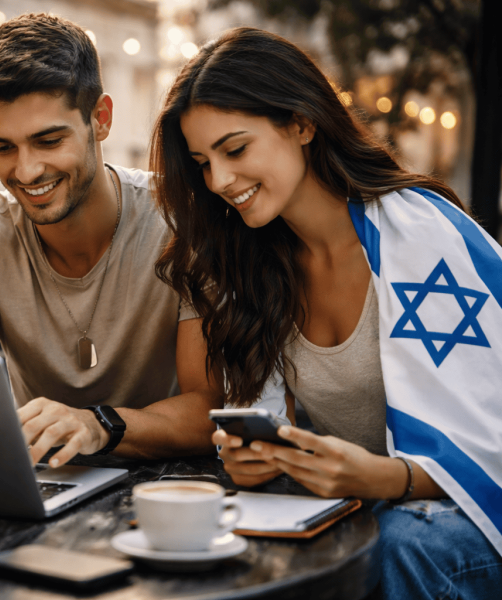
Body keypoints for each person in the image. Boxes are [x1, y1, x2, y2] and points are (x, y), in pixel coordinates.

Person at [151, 27, 502, 599]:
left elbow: (490, 436)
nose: (218, 181)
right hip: (371, 511)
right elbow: (269, 423)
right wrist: (258, 459)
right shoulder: (251, 262)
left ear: (303, 123)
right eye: (202, 162)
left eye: (235, 149)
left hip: (466, 526)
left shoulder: (418, 234)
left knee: (404, 541)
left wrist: (388, 478)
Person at [0, 14, 261, 468]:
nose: (25, 171)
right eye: (2, 147)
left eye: (48, 140)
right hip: (45, 484)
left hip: (173, 483)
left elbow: (209, 411)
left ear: (100, 119)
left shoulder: (184, 220)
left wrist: (98, 425)